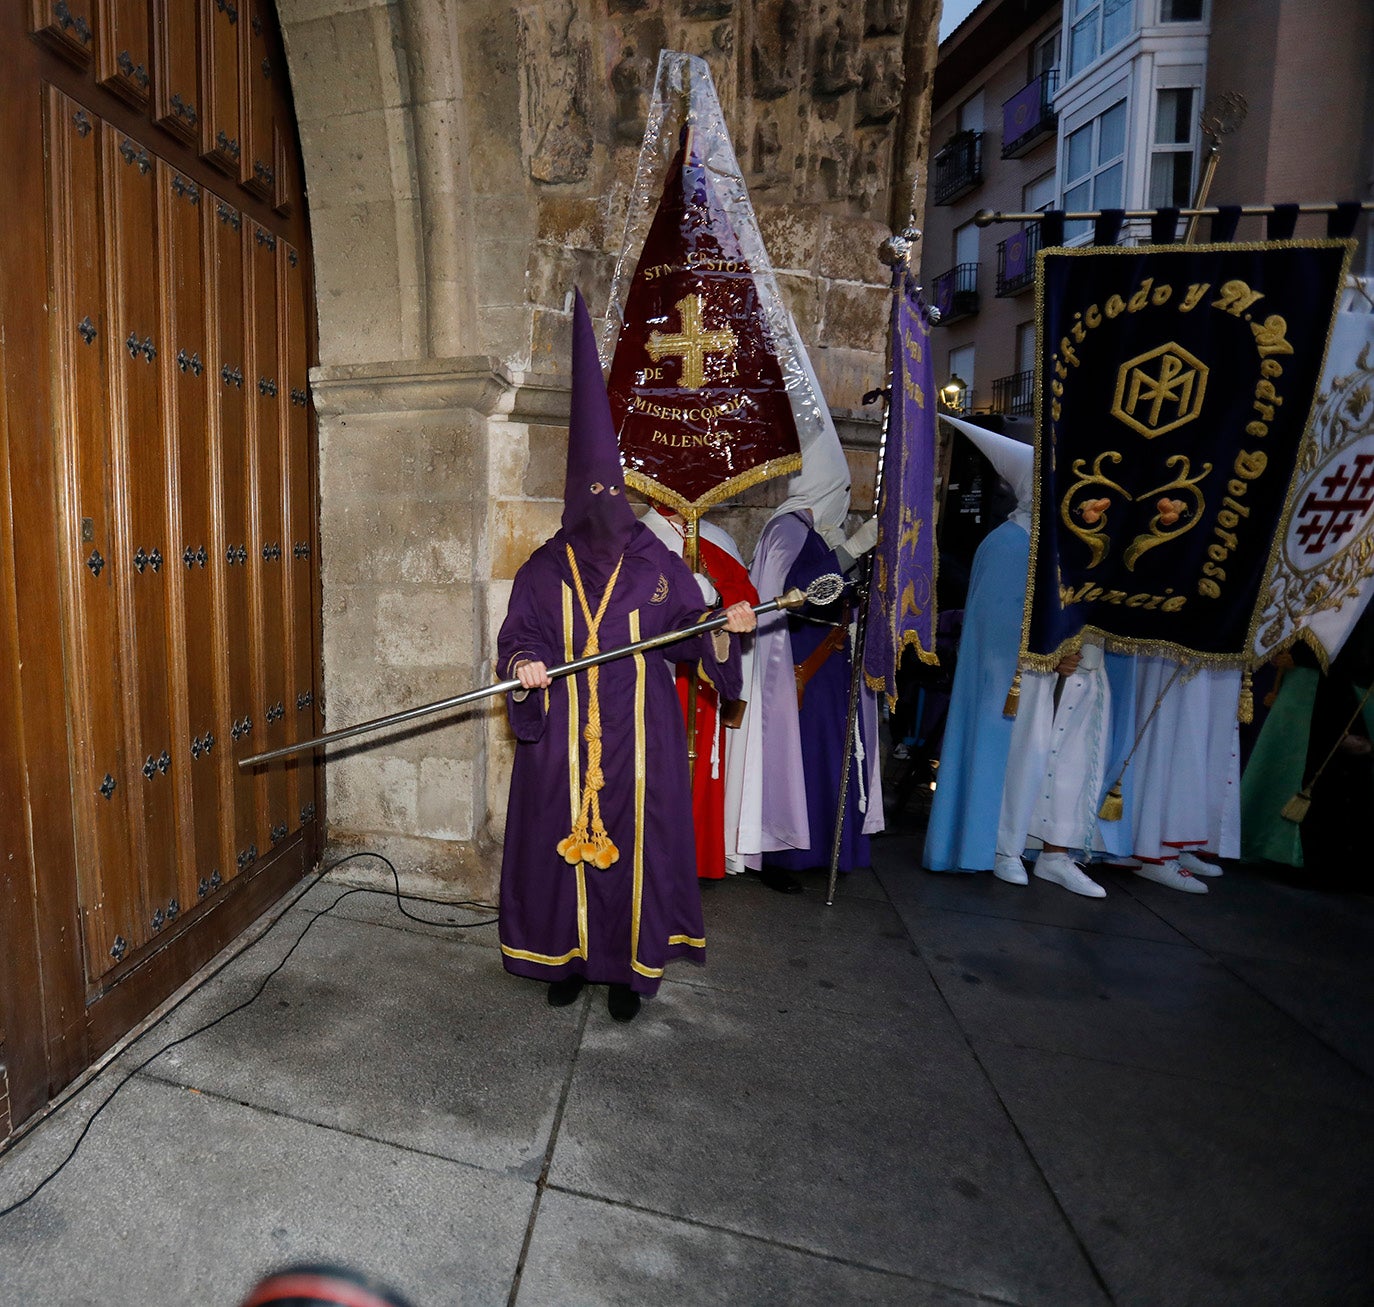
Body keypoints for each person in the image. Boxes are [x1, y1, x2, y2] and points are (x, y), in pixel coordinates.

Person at [496, 291, 755, 1022]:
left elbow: (694, 623)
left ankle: (625, 972)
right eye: (591, 498)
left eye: (613, 498)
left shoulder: (657, 565)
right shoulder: (544, 568)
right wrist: (524, 668)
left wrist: (724, 625)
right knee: (556, 848)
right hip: (566, 743)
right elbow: (519, 634)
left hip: (639, 736)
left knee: (637, 851)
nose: (603, 512)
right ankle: (566, 959)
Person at [738, 396, 883, 892]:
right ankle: (785, 858)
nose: (844, 499)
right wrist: (851, 549)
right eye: (839, 489)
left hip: (828, 668)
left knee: (827, 760)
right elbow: (798, 595)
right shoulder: (787, 529)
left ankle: (826, 849)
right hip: (797, 667)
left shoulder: (815, 530)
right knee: (799, 761)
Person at [922, 418, 1032, 877]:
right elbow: (999, 635)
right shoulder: (1010, 543)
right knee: (993, 750)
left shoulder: (1027, 542)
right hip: (1001, 679)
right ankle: (982, 845)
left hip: (1026, 677)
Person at [640, 506, 759, 880]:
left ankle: (695, 859)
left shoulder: (716, 538)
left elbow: (747, 599)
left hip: (707, 668)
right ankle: (657, 862)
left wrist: (717, 597)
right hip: (663, 674)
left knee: (702, 763)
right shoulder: (641, 535)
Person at [995, 638, 1116, 897]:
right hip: (1038, 655)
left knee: (1074, 758)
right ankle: (1005, 847)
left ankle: (1055, 853)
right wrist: (1052, 651)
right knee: (1026, 750)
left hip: (1087, 655)